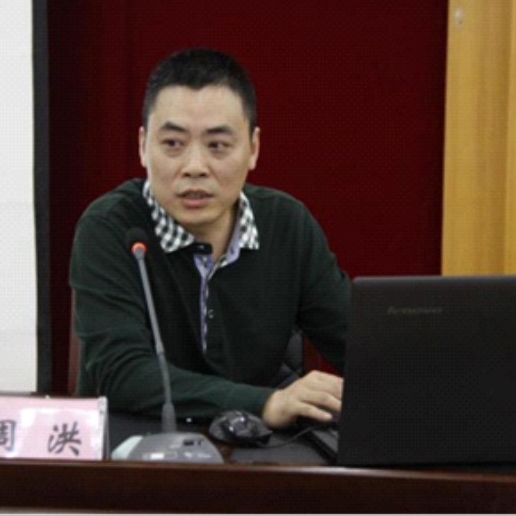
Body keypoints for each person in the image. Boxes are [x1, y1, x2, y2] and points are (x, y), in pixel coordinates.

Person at [70, 47, 349, 429]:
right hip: (136, 447)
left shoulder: (287, 226)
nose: (195, 167)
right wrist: (265, 403)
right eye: (173, 144)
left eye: (217, 146)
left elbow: (358, 347)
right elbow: (120, 373)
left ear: (253, 149)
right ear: (142, 146)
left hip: (255, 450)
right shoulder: (111, 228)